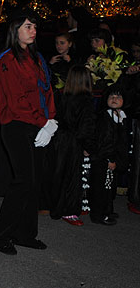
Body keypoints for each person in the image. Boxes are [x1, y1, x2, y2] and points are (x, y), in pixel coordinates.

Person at [0, 9, 57, 255]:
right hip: (16, 125)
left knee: (34, 181)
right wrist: (43, 122)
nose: (33, 31)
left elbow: (46, 90)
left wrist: (50, 120)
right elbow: (16, 101)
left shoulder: (36, 57)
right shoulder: (7, 60)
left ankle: (24, 233)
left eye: (35, 27)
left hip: (37, 124)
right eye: (28, 26)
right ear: (15, 30)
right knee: (23, 180)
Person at [48, 66, 96, 226]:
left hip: (59, 139)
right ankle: (69, 211)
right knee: (73, 177)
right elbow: (86, 127)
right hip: (74, 141)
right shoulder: (86, 100)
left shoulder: (62, 96)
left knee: (58, 174)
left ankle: (56, 209)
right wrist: (88, 146)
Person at [90, 86, 132, 225]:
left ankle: (107, 210)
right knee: (101, 188)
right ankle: (98, 215)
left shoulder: (121, 116)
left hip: (111, 158)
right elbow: (106, 141)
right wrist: (110, 159)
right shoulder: (105, 117)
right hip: (103, 158)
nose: (114, 99)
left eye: (118, 97)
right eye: (111, 97)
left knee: (109, 187)